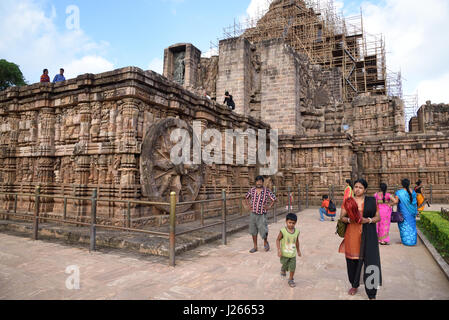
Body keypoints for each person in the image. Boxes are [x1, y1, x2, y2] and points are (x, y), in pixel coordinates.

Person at [339, 178, 382, 300]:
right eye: (356, 187)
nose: (357, 189)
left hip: (368, 234)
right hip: (352, 234)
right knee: (353, 261)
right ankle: (354, 284)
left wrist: (367, 220)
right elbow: (341, 217)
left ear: (365, 190)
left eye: (360, 187)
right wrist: (349, 220)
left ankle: (372, 293)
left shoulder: (372, 201)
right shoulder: (348, 201)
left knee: (371, 262)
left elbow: (377, 217)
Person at [245, 176, 277, 253]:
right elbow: (246, 197)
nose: (259, 183)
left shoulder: (267, 191)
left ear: (262, 182)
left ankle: (265, 242)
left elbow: (274, 199)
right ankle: (255, 247)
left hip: (262, 214)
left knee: (264, 229)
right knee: (253, 230)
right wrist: (249, 205)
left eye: (260, 181)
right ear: (255, 182)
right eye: (257, 181)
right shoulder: (252, 190)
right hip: (253, 213)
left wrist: (269, 206)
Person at [276, 213, 302, 288]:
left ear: (295, 223)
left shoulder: (297, 232)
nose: (291, 224)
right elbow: (277, 240)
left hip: (292, 254)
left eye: (293, 223)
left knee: (293, 267)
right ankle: (283, 268)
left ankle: (291, 279)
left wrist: (298, 250)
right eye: (289, 222)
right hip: (284, 254)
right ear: (286, 221)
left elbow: (297, 241)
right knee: (285, 264)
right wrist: (279, 250)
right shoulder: (283, 231)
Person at [392, 179, 418, 246]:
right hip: (412, 213)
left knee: (404, 226)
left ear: (402, 184)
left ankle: (406, 241)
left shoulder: (399, 192)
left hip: (403, 213)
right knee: (412, 226)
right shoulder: (413, 192)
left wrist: (389, 204)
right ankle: (413, 241)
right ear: (409, 183)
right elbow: (415, 203)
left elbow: (396, 202)